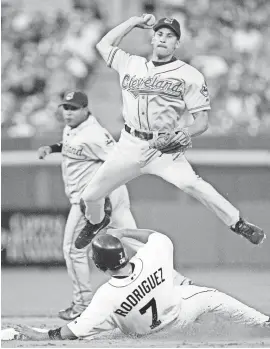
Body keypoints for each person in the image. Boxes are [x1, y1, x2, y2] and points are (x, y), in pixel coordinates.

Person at [75, 14, 265, 249]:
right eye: (160, 34)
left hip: (164, 148)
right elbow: (102, 44)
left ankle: (238, 223)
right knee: (90, 196)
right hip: (129, 144)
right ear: (152, 39)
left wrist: (186, 132)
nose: (164, 39)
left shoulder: (189, 75)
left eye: (170, 36)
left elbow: (202, 120)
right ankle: (96, 221)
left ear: (177, 44)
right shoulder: (131, 63)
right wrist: (133, 21)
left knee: (191, 184)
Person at [37, 90, 191, 321]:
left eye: (74, 108)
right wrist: (52, 148)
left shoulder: (94, 135)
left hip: (94, 197)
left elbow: (120, 160)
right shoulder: (75, 129)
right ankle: (178, 281)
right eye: (66, 108)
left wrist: (102, 199)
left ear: (86, 109)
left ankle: (82, 304)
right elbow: (71, 145)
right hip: (115, 195)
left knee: (72, 249)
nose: (68, 113)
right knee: (132, 241)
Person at [10, 228, 269, 341]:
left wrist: (44, 335)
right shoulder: (153, 254)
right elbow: (154, 236)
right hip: (178, 315)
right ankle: (262, 323)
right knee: (211, 297)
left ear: (100, 266)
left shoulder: (105, 296)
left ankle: (14, 335)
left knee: (96, 329)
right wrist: (122, 233)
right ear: (122, 253)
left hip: (141, 335)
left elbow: (70, 333)